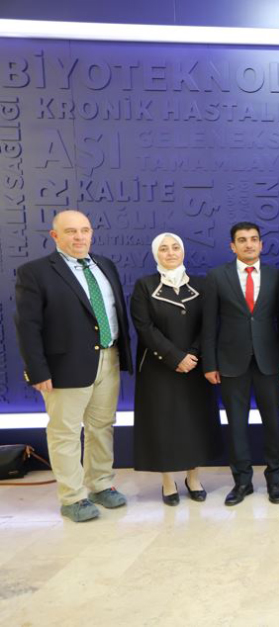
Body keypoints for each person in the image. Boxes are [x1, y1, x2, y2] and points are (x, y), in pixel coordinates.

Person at [14, 210, 133, 522]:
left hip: (108, 358)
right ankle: (73, 498)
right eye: (70, 231)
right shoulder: (35, 272)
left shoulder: (105, 265)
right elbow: (28, 326)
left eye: (84, 230)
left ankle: (101, 485)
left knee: (102, 426)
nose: (79, 237)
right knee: (65, 432)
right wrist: (37, 370)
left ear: (91, 233)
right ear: (55, 236)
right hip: (64, 367)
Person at [131, 233, 222, 506]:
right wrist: (175, 357)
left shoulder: (201, 285)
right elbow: (145, 328)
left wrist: (192, 354)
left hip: (194, 366)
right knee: (163, 424)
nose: (170, 253)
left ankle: (193, 478)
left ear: (182, 252)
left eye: (175, 248)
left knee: (194, 422)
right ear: (155, 254)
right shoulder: (145, 286)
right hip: (158, 367)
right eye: (164, 249)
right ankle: (168, 482)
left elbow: (208, 325)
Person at [203, 222, 279, 506]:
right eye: (242, 240)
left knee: (273, 424)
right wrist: (209, 363)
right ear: (233, 246)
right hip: (230, 362)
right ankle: (242, 482)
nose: (249, 244)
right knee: (236, 425)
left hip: (269, 361)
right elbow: (209, 324)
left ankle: (275, 480)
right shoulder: (217, 276)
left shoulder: (277, 276)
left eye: (254, 239)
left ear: (261, 244)